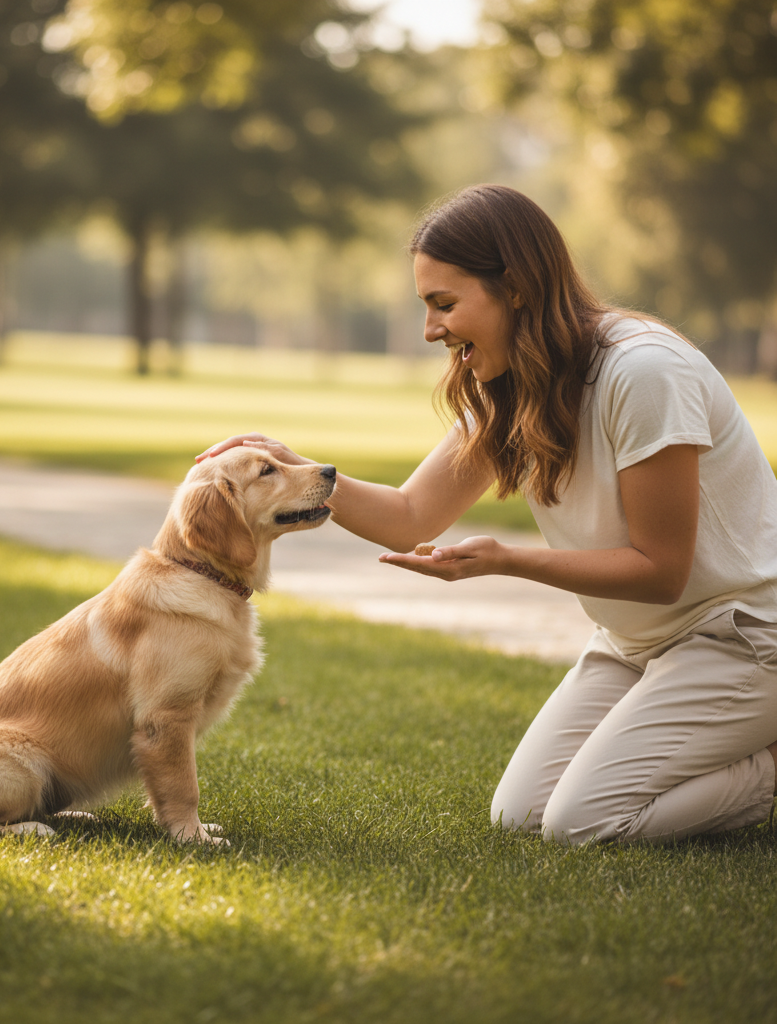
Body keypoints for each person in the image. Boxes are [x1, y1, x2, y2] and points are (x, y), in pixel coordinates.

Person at [197, 183, 777, 845]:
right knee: (519, 815)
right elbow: (410, 514)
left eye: (444, 304)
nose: (431, 330)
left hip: (743, 636)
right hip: (635, 645)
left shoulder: (644, 373)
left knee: (579, 822)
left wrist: (506, 560)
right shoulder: (509, 384)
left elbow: (662, 571)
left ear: (517, 288)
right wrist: (292, 467)